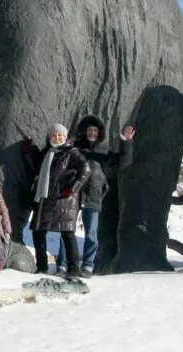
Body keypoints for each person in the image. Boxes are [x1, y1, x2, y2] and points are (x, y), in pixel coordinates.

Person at [55, 116, 135, 277]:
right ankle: (63, 265)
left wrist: (126, 143)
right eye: (90, 130)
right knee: (67, 230)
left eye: (95, 130)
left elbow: (123, 163)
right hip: (72, 194)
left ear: (99, 133)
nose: (92, 133)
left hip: (93, 195)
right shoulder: (74, 149)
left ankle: (87, 266)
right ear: (85, 131)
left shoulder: (104, 152)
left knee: (91, 233)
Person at [24, 123, 91, 278]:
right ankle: (41, 267)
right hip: (45, 197)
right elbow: (36, 167)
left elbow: (85, 169)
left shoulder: (72, 152)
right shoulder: (46, 152)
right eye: (54, 135)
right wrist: (29, 151)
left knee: (67, 233)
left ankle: (73, 269)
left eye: (60, 135)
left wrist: (73, 188)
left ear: (65, 137)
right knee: (38, 231)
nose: (57, 137)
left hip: (64, 200)